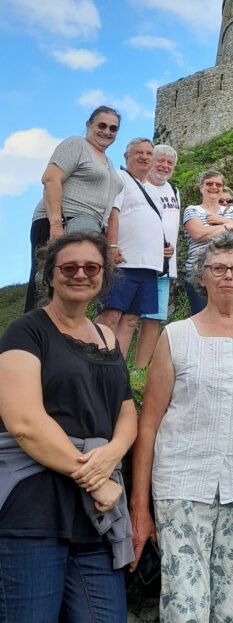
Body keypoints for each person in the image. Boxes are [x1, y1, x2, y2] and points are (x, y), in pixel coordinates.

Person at [129, 234, 233, 623]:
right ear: (202, 277)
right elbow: (148, 424)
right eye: (217, 268)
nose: (227, 277)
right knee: (185, 608)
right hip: (182, 485)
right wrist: (140, 506)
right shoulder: (176, 336)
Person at [0, 232, 137, 623]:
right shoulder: (25, 332)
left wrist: (111, 454)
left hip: (94, 515)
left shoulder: (107, 337)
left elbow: (126, 410)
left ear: (103, 275)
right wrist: (96, 478)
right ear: (50, 275)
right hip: (33, 510)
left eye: (91, 267)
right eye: (69, 267)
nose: (80, 274)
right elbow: (24, 423)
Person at [25, 105, 123, 312]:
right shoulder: (76, 144)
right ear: (88, 125)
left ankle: (62, 338)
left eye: (113, 129)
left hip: (88, 229)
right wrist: (55, 226)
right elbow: (51, 179)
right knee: (47, 284)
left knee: (75, 285)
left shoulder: (108, 162)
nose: (107, 132)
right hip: (63, 222)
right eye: (101, 125)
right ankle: (31, 339)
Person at [97, 138, 166, 357]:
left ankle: (117, 370)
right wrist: (112, 246)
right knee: (111, 315)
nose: (144, 157)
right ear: (126, 157)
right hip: (124, 260)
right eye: (138, 153)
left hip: (149, 264)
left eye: (148, 153)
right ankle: (91, 358)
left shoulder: (153, 190)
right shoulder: (121, 179)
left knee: (130, 320)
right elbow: (113, 213)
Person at [183, 170, 233, 314]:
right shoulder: (192, 210)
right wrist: (229, 227)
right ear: (201, 187)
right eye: (209, 184)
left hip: (232, 272)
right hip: (200, 272)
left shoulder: (231, 211)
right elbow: (198, 233)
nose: (214, 187)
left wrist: (225, 221)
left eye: (218, 184)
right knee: (204, 321)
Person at [135, 144, 180, 369]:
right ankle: (111, 367)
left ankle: (139, 370)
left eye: (169, 163)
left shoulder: (174, 190)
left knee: (153, 319)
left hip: (164, 267)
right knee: (126, 316)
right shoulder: (139, 186)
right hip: (139, 263)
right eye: (160, 160)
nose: (164, 166)